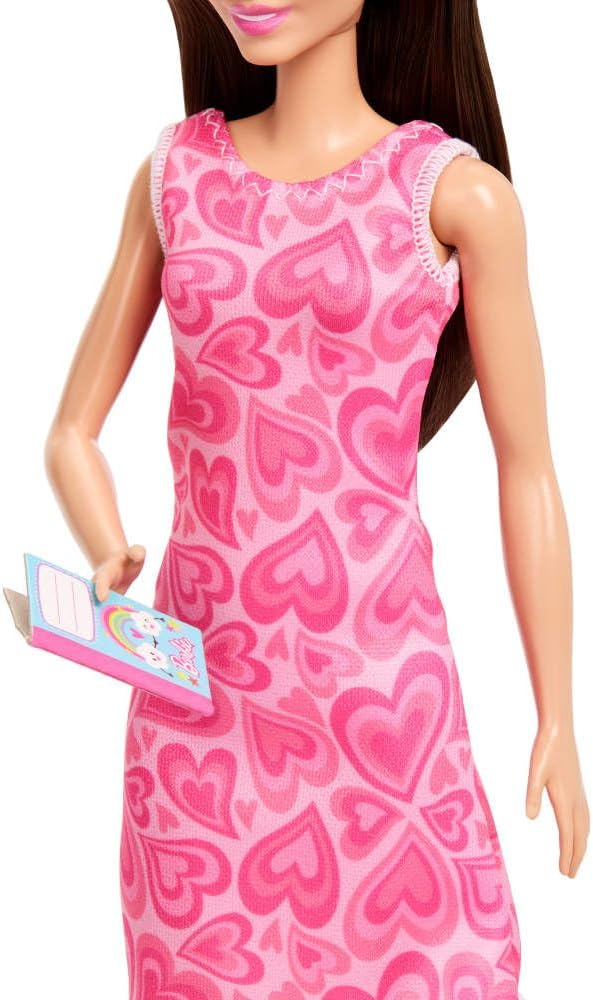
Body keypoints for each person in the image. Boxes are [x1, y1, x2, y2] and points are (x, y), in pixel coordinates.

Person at [44, 2, 589, 996]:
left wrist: (557, 714)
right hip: (199, 714)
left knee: (445, 964)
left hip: (383, 706)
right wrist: (106, 546)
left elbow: (527, 467)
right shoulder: (175, 178)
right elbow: (71, 431)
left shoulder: (454, 197)